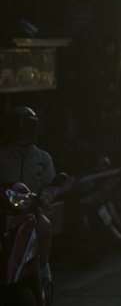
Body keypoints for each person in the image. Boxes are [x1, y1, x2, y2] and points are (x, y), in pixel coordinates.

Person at [0, 106, 57, 283]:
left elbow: (51, 185)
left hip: (32, 209)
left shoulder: (43, 157)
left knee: (43, 225)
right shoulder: (2, 155)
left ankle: (43, 266)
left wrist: (45, 197)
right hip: (4, 210)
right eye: (22, 127)